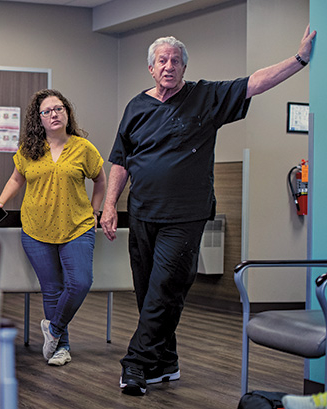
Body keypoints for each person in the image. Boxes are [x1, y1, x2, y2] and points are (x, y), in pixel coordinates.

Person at [100, 25, 316, 396]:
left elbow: (256, 83)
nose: (169, 66)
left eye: (176, 60)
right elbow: (120, 160)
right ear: (151, 68)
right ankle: (165, 363)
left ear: (185, 67)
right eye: (162, 60)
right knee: (147, 293)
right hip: (141, 213)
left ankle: (135, 365)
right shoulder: (136, 106)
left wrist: (299, 60)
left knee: (166, 287)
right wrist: (109, 207)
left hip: (185, 216)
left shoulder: (206, 96)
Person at [0, 89, 106, 366]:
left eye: (59, 108)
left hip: (77, 226)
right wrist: (0, 203)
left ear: (67, 113)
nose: (54, 114)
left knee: (80, 282)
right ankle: (60, 348)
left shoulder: (83, 148)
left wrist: (96, 209)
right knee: (52, 289)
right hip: (36, 228)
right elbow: (17, 179)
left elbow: (100, 179)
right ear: (38, 119)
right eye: (47, 111)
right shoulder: (29, 150)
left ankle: (52, 329)